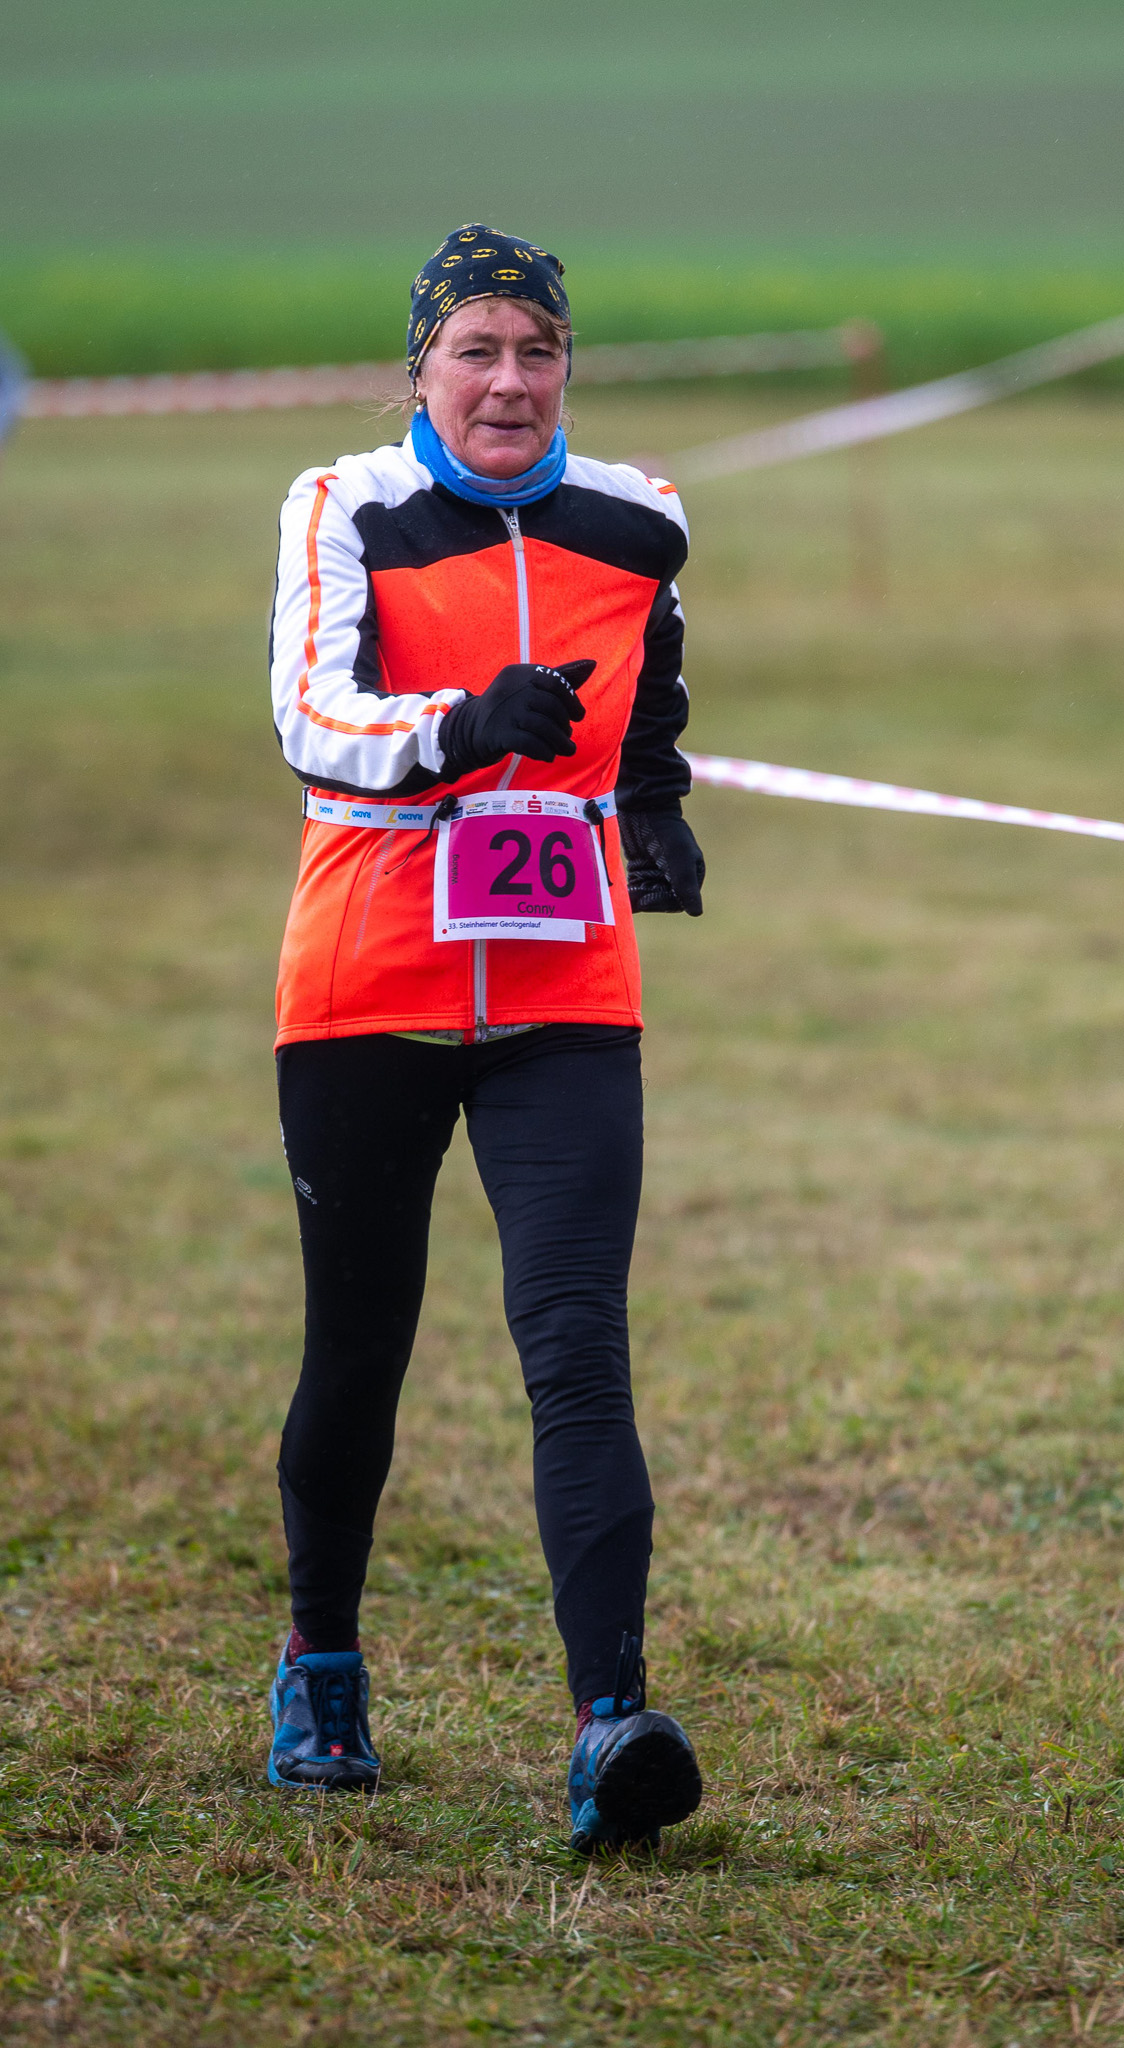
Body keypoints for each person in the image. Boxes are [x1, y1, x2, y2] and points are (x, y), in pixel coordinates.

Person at [264, 226, 706, 1852]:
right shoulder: (347, 506)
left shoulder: (640, 516)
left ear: (568, 366)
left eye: (538, 351)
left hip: (563, 976)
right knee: (360, 1345)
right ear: (423, 368)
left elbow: (652, 684)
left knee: (577, 1342)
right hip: (371, 972)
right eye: (478, 351)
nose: (510, 382)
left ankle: (611, 1724)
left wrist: (651, 806)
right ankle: (320, 1664)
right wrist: (458, 726)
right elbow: (310, 714)